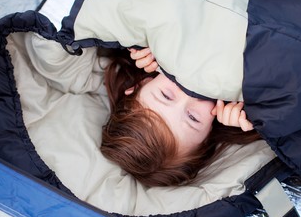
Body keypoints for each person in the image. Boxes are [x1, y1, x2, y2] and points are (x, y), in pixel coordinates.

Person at [100, 47, 260, 187]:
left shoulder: (148, 50)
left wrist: (145, 42)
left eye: (166, 96)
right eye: (193, 117)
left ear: (139, 85)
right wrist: (255, 112)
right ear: (207, 134)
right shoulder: (245, 103)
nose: (187, 94)